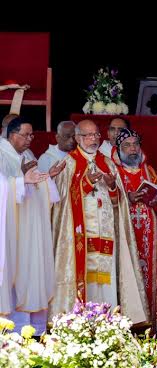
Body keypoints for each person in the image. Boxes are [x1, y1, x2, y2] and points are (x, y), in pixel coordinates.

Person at [50, 119, 148, 324]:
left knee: (107, 279)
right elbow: (64, 201)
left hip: (107, 233)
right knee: (86, 277)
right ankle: (80, 321)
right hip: (81, 234)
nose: (94, 139)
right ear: (78, 138)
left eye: (96, 135)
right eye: (88, 135)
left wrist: (113, 188)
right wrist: (87, 182)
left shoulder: (108, 162)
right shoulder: (69, 163)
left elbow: (117, 203)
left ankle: (107, 322)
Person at [0, 118, 60, 334]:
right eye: (26, 135)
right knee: (11, 273)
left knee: (28, 269)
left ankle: (28, 328)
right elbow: (3, 186)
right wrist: (20, 181)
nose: (30, 139)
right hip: (9, 229)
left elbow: (35, 184)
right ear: (11, 134)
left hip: (28, 227)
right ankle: (10, 328)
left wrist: (46, 178)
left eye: (32, 135)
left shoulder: (27, 155)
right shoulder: (1, 153)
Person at [112, 128, 157, 328]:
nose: (132, 149)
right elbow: (109, 202)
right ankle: (126, 320)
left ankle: (149, 321)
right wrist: (128, 197)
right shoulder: (114, 172)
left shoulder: (148, 170)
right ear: (118, 149)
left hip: (149, 232)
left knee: (149, 274)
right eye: (127, 145)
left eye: (135, 145)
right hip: (127, 230)